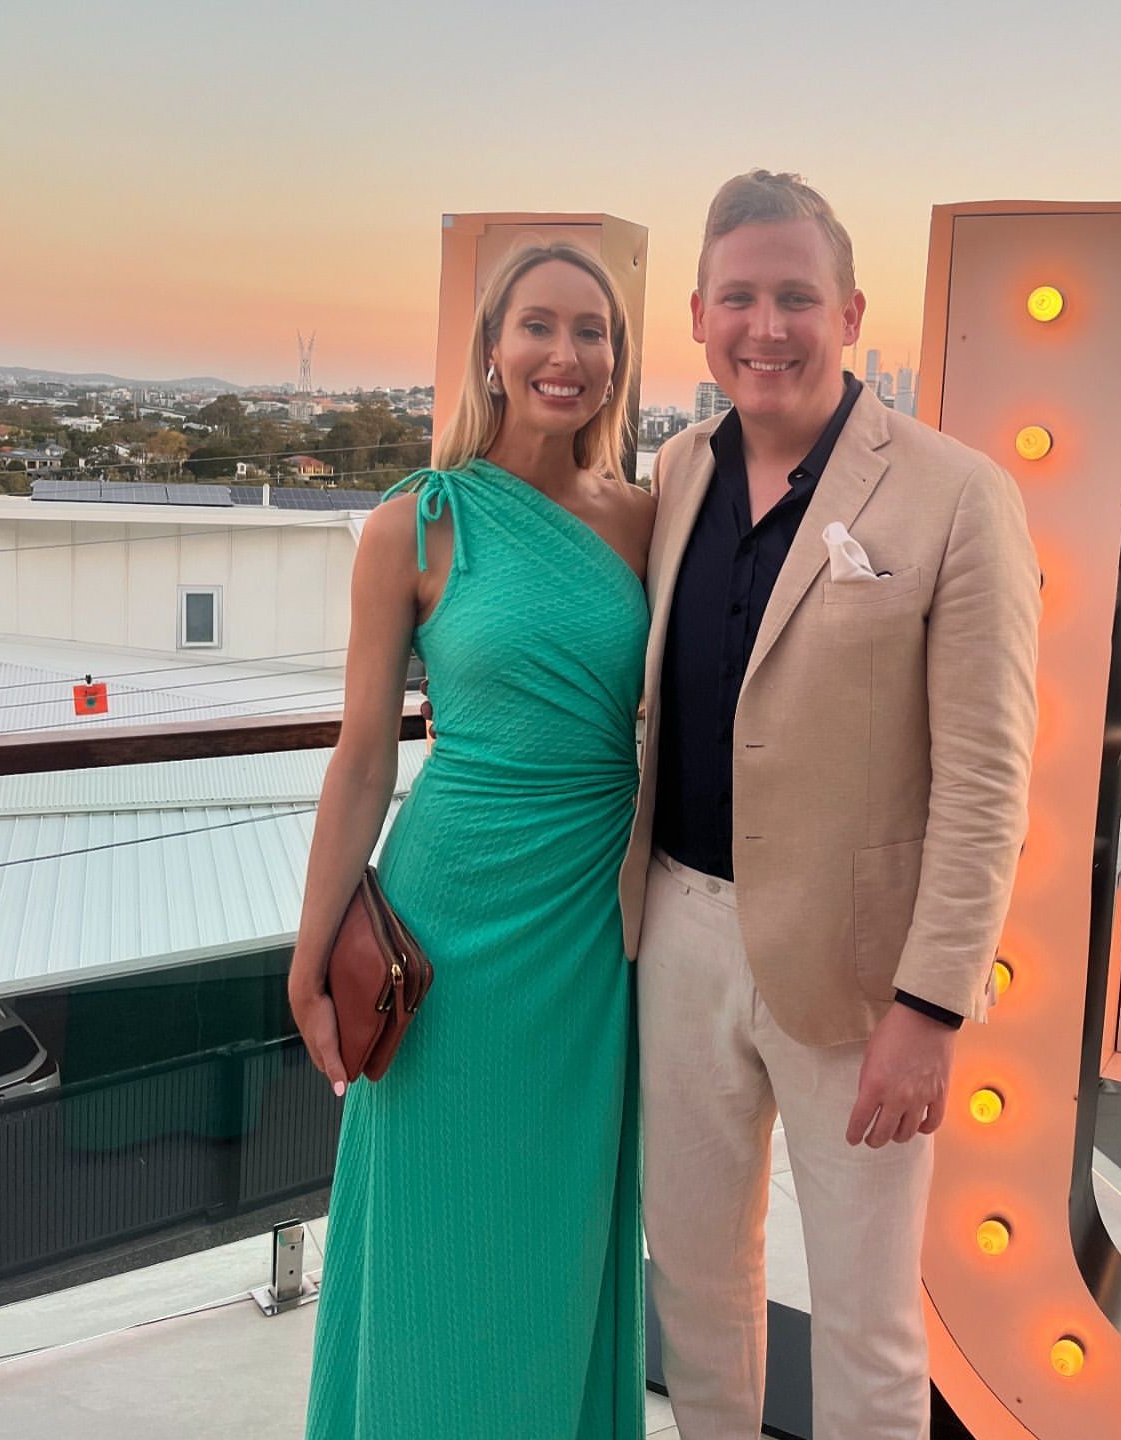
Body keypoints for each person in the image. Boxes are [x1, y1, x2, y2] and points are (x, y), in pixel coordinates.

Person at [619, 172, 1040, 1439]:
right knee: (697, 1288)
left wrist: (931, 1005)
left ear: (850, 313)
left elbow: (986, 776)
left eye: (796, 297)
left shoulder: (957, 492)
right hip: (678, 935)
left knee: (865, 1321)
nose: (768, 327)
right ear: (700, 315)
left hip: (861, 977)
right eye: (739, 298)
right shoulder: (676, 470)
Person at [291, 242, 654, 1439]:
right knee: (430, 1238)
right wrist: (309, 952)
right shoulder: (413, 523)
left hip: (589, 927)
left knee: (557, 1237)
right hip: (445, 924)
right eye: (538, 326)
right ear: (492, 350)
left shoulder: (648, 521)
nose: (567, 353)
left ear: (618, 358)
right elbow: (363, 757)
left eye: (593, 330)